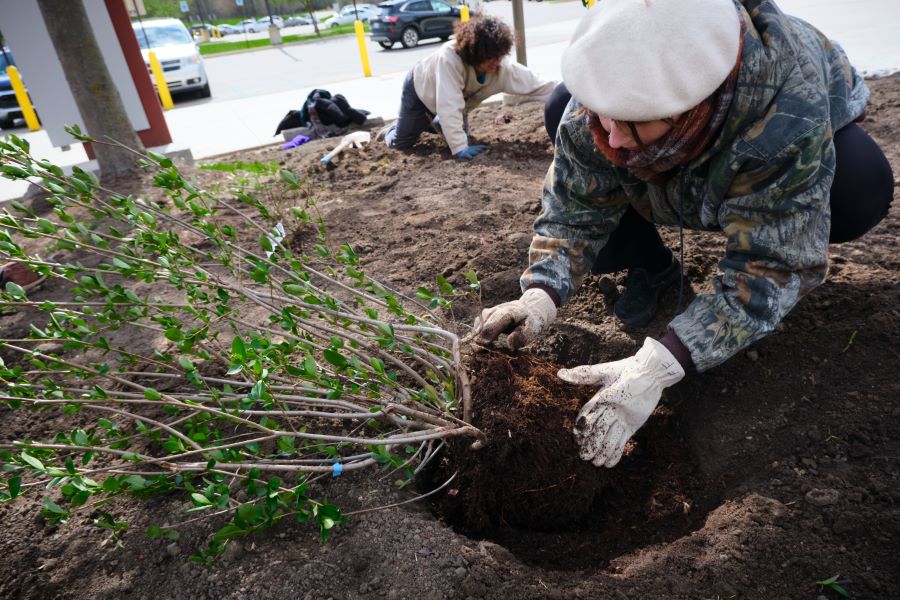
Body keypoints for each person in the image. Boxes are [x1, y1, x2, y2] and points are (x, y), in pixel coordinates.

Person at [471, 0, 893, 468]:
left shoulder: (787, 114)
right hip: (686, 160)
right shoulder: (607, 95)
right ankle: (652, 267)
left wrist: (664, 362)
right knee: (562, 113)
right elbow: (575, 204)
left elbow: (773, 262)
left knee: (859, 186)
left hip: (791, 140)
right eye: (603, 113)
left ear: (692, 107)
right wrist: (540, 292)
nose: (610, 136)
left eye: (631, 119)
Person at [380, 17, 557, 159]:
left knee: (455, 130)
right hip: (421, 90)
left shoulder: (502, 67)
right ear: (475, 53)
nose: (496, 64)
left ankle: (435, 122)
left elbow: (539, 85)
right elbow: (449, 104)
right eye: (490, 58)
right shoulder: (449, 58)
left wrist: (569, 93)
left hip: (453, 103)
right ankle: (393, 129)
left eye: (499, 57)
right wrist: (459, 148)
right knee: (403, 142)